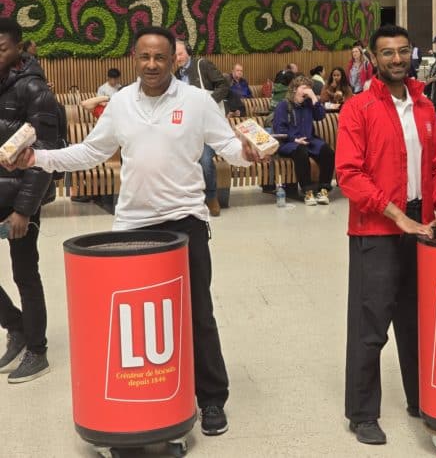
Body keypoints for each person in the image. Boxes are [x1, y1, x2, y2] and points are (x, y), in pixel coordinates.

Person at [4, 26, 262, 435]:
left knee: (197, 313)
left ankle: (212, 399)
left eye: (160, 57)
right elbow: (91, 151)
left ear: (173, 59)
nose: (152, 64)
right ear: (134, 58)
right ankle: (146, 395)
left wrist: (248, 154)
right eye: (145, 57)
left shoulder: (197, 102)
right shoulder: (120, 102)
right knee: (135, 317)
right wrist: (38, 157)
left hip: (184, 222)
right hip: (133, 224)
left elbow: (230, 148)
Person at [336, 24, 436, 445]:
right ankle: (363, 413)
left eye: (403, 51)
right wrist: (396, 216)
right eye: (387, 53)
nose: (397, 60)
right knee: (371, 325)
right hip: (377, 228)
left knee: (416, 320)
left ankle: (418, 399)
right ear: (373, 58)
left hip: (422, 225)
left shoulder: (423, 105)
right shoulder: (358, 108)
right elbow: (349, 174)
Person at [0, 18, 60, 384]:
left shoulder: (34, 89)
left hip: (21, 198)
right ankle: (17, 326)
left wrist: (23, 209)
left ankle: (37, 350)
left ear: (19, 48)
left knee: (24, 272)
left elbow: (46, 153)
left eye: (1, 47)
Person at [174, 39, 236, 216]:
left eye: (181, 53)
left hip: (208, 127)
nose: (178, 58)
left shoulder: (202, 65)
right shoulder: (176, 76)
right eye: (175, 55)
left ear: (188, 52)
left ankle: (211, 197)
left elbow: (224, 85)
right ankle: (189, 199)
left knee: (205, 160)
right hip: (188, 127)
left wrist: (207, 102)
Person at [273, 75, 333, 206]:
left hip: (309, 141)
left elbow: (320, 115)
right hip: (289, 143)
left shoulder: (308, 104)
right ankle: (308, 192)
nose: (307, 91)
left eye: (309, 88)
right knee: (301, 152)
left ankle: (323, 191)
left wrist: (313, 98)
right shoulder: (283, 106)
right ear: (295, 89)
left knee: (327, 151)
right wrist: (294, 139)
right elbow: (279, 130)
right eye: (304, 88)